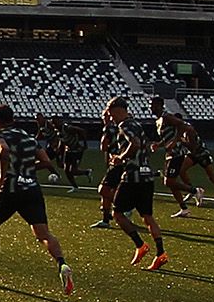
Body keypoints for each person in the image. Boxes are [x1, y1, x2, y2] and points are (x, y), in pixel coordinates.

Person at [0, 105, 73, 293]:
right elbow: (46, 162)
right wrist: (27, 169)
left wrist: (1, 178)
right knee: (44, 234)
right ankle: (62, 264)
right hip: (32, 188)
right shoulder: (28, 136)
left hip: (11, 188)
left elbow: (3, 152)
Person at [105, 99, 167, 270]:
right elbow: (144, 146)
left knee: (117, 213)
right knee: (147, 216)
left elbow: (136, 144)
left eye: (111, 112)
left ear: (118, 110)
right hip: (147, 175)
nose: (110, 116)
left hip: (133, 176)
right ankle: (160, 253)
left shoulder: (124, 125)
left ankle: (140, 245)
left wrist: (120, 158)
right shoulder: (137, 124)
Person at [90, 97, 155, 230]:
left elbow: (103, 146)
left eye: (107, 114)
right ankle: (107, 218)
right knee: (106, 189)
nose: (106, 116)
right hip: (119, 162)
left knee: (104, 189)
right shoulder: (128, 124)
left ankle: (125, 208)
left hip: (120, 162)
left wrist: (120, 156)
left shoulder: (118, 126)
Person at [149, 96, 204, 217]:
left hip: (177, 153)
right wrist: (158, 145)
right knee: (171, 182)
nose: (150, 107)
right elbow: (167, 137)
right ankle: (184, 208)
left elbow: (183, 126)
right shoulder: (158, 120)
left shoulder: (166, 117)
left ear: (159, 105)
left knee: (168, 182)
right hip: (170, 154)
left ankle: (195, 191)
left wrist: (174, 142)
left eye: (153, 105)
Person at [57, 119, 87, 191]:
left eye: (56, 122)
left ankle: (86, 172)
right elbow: (62, 142)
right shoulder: (58, 131)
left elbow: (82, 131)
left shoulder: (67, 128)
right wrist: (59, 152)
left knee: (73, 171)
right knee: (66, 170)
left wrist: (85, 143)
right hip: (69, 150)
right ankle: (75, 186)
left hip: (76, 150)